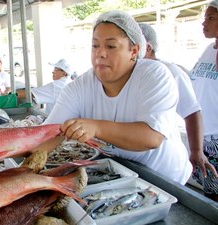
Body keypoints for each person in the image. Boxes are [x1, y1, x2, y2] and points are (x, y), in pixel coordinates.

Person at [44, 10, 192, 185]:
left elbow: (152, 137)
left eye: (111, 46)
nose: (101, 53)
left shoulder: (153, 75)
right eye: (95, 46)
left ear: (134, 50)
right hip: (122, 172)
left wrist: (96, 127)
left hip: (165, 179)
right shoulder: (80, 86)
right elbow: (47, 135)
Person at [139, 23, 217, 182]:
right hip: (139, 159)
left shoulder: (170, 72)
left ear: (146, 47)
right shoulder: (130, 73)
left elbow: (192, 112)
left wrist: (196, 151)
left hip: (165, 162)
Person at [189, 0, 218, 201]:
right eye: (204, 17)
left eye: (211, 17)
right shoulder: (209, 49)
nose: (204, 23)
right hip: (203, 136)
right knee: (210, 194)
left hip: (216, 136)